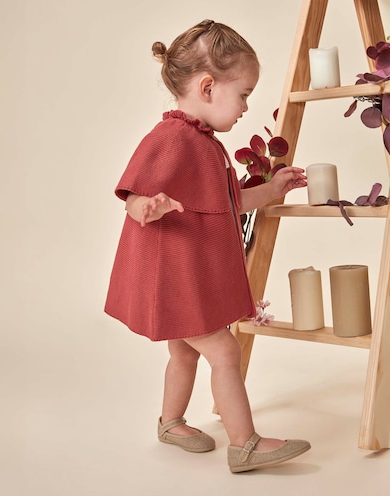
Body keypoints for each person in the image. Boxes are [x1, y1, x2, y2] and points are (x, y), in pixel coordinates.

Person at [105, 19, 310, 473]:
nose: (246, 107)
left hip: (189, 276)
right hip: (175, 278)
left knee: (183, 351)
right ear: (208, 87)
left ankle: (171, 423)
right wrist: (147, 206)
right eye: (243, 94)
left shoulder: (203, 143)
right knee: (224, 350)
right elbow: (133, 196)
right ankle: (245, 444)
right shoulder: (171, 138)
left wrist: (273, 189)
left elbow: (229, 202)